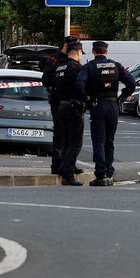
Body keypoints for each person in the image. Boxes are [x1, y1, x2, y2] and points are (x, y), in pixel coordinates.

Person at [75, 40, 136, 187]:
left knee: (98, 141)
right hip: (112, 104)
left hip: (98, 104)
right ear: (106, 52)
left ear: (94, 52)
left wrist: (86, 98)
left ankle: (100, 173)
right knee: (109, 140)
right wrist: (122, 96)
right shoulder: (115, 65)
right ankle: (109, 172)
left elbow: (78, 84)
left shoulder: (89, 66)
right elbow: (131, 83)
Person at [41, 36, 80, 175]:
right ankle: (57, 165)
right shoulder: (54, 59)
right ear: (65, 46)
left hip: (71, 100)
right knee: (60, 134)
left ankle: (70, 164)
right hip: (58, 100)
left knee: (72, 135)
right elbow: (45, 80)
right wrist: (60, 82)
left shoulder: (73, 61)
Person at [52, 41, 87, 186]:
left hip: (61, 105)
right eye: (81, 54)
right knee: (75, 142)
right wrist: (86, 98)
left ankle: (64, 168)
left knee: (65, 140)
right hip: (74, 107)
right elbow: (81, 85)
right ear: (78, 52)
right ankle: (68, 174)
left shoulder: (60, 67)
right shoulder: (76, 67)